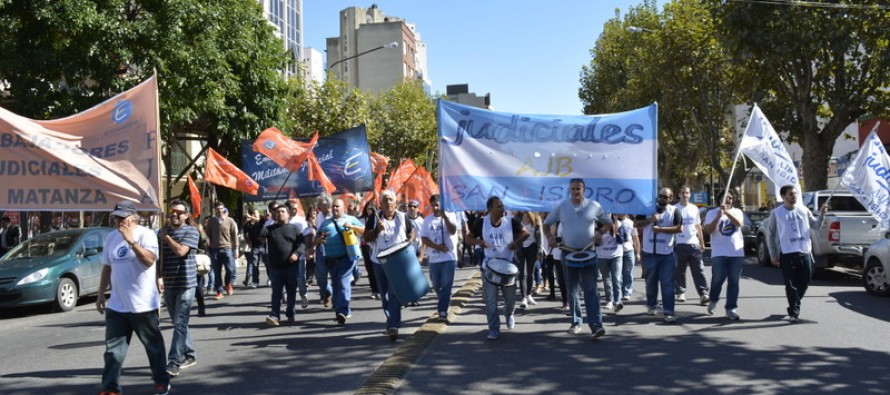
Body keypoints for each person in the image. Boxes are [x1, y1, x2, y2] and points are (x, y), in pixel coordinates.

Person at [95, 200, 171, 395]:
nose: (117, 221)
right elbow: (107, 266)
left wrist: (131, 242)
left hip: (143, 305)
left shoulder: (146, 235)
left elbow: (149, 260)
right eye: (115, 217)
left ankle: (161, 381)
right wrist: (101, 293)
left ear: (132, 218)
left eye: (121, 217)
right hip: (117, 306)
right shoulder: (111, 238)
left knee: (153, 347)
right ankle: (110, 387)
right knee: (113, 351)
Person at [543, 179, 612, 339]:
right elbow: (546, 224)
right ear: (569, 190)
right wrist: (549, 237)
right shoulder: (562, 207)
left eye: (578, 189)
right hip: (569, 253)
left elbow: (608, 223)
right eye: (573, 189)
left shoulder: (594, 206)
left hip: (589, 253)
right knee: (572, 291)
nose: (575, 192)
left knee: (591, 290)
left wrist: (600, 233)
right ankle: (576, 323)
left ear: (584, 190)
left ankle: (596, 325)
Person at [466, 196, 528, 340]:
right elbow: (468, 238)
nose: (502, 209)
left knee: (510, 300)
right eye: (498, 207)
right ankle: (494, 328)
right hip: (490, 267)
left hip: (508, 266)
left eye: (502, 206)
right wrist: (479, 242)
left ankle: (509, 313)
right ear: (489, 209)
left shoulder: (511, 221)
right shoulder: (482, 222)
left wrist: (516, 243)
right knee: (491, 302)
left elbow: (526, 233)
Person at [766, 185, 827, 322]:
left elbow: (816, 226)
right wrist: (773, 254)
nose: (794, 196)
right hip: (787, 252)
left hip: (804, 251)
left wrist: (822, 214)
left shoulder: (804, 210)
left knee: (805, 282)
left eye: (795, 194)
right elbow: (770, 234)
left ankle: (794, 304)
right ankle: (794, 312)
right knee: (790, 284)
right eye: (790, 194)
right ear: (783, 197)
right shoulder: (776, 213)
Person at [363, 190, 415, 340]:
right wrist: (376, 230)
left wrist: (410, 240)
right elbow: (366, 237)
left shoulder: (402, 216)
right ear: (381, 203)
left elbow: (412, 232)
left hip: (397, 261)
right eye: (385, 200)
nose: (388, 203)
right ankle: (390, 319)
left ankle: (393, 325)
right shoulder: (374, 217)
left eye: (391, 200)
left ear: (395, 203)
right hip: (379, 262)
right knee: (384, 295)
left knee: (393, 294)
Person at [158, 199, 200, 377]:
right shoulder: (161, 232)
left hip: (186, 284)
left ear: (186, 215)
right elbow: (159, 256)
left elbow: (181, 252)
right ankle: (190, 354)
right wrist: (158, 276)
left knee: (180, 322)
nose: (175, 214)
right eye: (172, 211)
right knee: (178, 323)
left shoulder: (191, 231)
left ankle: (174, 361)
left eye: (179, 212)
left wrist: (166, 237)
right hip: (169, 283)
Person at [635, 187, 683, 323]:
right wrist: (650, 220)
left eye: (665, 197)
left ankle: (668, 311)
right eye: (660, 196)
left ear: (671, 199)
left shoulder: (675, 211)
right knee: (650, 282)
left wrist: (661, 229)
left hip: (666, 253)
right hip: (649, 252)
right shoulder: (647, 208)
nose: (662, 199)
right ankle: (652, 305)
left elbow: (679, 228)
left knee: (667, 283)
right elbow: (636, 223)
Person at [316, 198, 365, 325]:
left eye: (337, 206)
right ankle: (342, 309)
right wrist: (319, 240)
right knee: (336, 284)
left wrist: (352, 227)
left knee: (343, 282)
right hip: (331, 259)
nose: (335, 209)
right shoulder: (325, 223)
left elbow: (364, 231)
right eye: (333, 206)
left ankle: (341, 311)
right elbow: (316, 239)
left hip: (347, 258)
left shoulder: (350, 219)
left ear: (344, 208)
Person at [260, 204, 308, 326]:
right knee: (276, 293)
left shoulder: (294, 228)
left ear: (287, 214)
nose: (279, 213)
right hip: (275, 267)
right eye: (277, 212)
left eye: (282, 211)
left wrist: (296, 254)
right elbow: (259, 237)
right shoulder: (270, 228)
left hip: (291, 266)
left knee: (291, 292)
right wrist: (263, 220)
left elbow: (302, 244)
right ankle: (275, 316)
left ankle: (290, 313)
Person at [703, 190, 744, 320]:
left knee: (734, 281)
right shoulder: (711, 213)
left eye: (730, 198)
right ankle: (714, 299)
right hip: (719, 252)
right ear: (719, 199)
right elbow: (709, 230)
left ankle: (731, 308)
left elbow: (739, 224)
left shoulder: (737, 211)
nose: (727, 200)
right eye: (725, 198)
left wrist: (727, 212)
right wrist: (718, 216)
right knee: (718, 278)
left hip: (736, 252)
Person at [420, 194, 459, 322]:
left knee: (446, 285)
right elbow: (424, 238)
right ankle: (445, 298)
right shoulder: (427, 220)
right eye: (433, 206)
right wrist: (437, 246)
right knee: (436, 285)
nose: (435, 208)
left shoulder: (450, 215)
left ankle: (442, 310)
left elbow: (453, 230)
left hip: (449, 257)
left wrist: (445, 217)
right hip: (434, 258)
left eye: (437, 205)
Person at [674, 186, 709, 305]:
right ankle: (680, 292)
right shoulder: (674, 209)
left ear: (690, 195)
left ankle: (703, 293)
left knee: (698, 269)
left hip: (693, 244)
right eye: (683, 193)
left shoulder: (694, 209)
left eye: (687, 193)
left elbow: (698, 226)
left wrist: (702, 242)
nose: (685, 195)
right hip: (679, 244)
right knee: (679, 270)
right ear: (679, 194)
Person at [205, 201, 239, 299]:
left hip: (227, 248)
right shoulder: (211, 221)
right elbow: (208, 235)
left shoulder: (230, 220)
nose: (219, 210)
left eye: (221, 208)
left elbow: (234, 236)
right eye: (217, 208)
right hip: (215, 249)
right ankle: (219, 291)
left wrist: (236, 248)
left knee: (230, 269)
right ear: (215, 210)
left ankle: (228, 284)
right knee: (216, 271)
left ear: (224, 209)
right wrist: (208, 246)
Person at [597, 214, 626, 312]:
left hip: (616, 255)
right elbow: (595, 243)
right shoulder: (596, 225)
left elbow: (623, 240)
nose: (607, 215)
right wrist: (599, 235)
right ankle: (609, 300)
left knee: (617, 278)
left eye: (608, 213)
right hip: (602, 256)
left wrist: (617, 233)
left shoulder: (618, 224)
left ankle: (617, 302)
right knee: (606, 279)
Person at [516, 211, 542, 308]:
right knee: (522, 273)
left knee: (530, 273)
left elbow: (539, 235)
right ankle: (523, 298)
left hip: (532, 247)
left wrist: (540, 249)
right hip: (520, 248)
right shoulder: (517, 218)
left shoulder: (536, 218)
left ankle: (529, 295)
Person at [312, 195, 334, 308]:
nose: (328, 208)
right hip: (321, 249)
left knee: (337, 277)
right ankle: (328, 292)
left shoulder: (335, 215)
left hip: (335, 249)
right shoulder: (318, 217)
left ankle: (338, 302)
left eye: (329, 206)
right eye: (325, 206)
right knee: (320, 278)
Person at [358, 202, 381, 300]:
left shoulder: (378, 218)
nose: (370, 210)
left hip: (376, 246)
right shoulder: (360, 219)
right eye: (368, 208)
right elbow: (359, 232)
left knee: (377, 268)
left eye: (372, 208)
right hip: (365, 246)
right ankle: (374, 289)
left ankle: (380, 288)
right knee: (370, 269)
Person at [616, 213, 641, 301]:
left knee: (628, 273)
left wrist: (637, 253)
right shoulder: (613, 222)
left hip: (628, 250)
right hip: (616, 252)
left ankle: (626, 292)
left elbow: (635, 238)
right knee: (618, 275)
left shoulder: (630, 222)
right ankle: (618, 292)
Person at [241, 208, 264, 288]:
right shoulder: (248, 224)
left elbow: (259, 220)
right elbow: (245, 234)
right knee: (254, 265)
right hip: (254, 247)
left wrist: (250, 216)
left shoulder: (261, 222)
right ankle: (255, 281)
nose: (258, 215)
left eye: (258, 214)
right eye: (256, 213)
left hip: (264, 246)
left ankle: (271, 279)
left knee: (268, 264)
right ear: (253, 214)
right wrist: (248, 242)